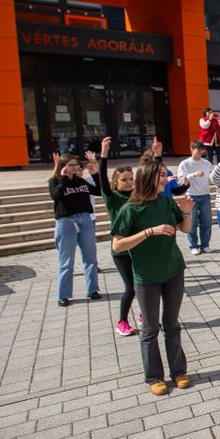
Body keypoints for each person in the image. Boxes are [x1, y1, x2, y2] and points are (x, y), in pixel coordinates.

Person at [110, 152, 195, 396]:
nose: (167, 178)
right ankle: (154, 376)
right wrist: (149, 232)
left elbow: (185, 229)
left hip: (173, 270)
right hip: (146, 276)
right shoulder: (131, 209)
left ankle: (178, 371)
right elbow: (117, 245)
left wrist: (187, 212)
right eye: (162, 175)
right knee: (150, 328)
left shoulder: (167, 202)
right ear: (149, 178)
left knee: (172, 324)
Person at [49, 151, 101, 307]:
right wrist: (64, 178)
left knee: (90, 258)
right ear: (63, 167)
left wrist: (96, 174)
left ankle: (92, 290)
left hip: (85, 218)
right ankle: (63, 295)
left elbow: (99, 191)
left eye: (76, 165)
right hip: (66, 222)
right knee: (66, 261)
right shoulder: (55, 181)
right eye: (70, 165)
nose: (74, 168)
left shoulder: (82, 182)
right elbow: (55, 196)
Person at [99, 138, 138, 336]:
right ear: (116, 181)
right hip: (121, 249)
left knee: (144, 284)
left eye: (131, 179)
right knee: (130, 288)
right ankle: (122, 321)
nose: (129, 182)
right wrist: (104, 154)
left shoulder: (138, 195)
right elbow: (103, 183)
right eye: (124, 179)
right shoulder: (112, 197)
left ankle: (144, 315)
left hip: (139, 247)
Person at [177, 141, 213, 254]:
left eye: (202, 150)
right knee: (192, 223)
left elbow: (212, 177)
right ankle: (193, 245)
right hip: (191, 195)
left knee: (206, 221)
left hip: (205, 195)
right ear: (191, 149)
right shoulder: (185, 164)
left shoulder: (207, 163)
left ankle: (205, 245)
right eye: (198, 149)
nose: (200, 152)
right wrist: (193, 175)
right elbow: (181, 180)